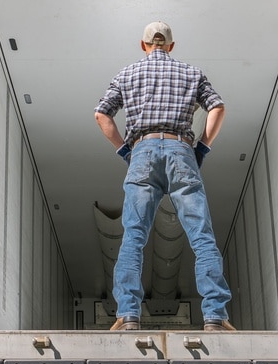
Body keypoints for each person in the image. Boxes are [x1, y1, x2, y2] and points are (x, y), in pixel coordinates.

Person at [94, 21, 235, 332]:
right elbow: (218, 108)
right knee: (201, 236)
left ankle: (128, 315)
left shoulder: (126, 74)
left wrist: (125, 151)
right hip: (181, 150)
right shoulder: (192, 73)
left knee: (134, 236)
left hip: (142, 153)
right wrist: (202, 148)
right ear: (171, 46)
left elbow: (102, 114)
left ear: (143, 45)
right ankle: (215, 316)